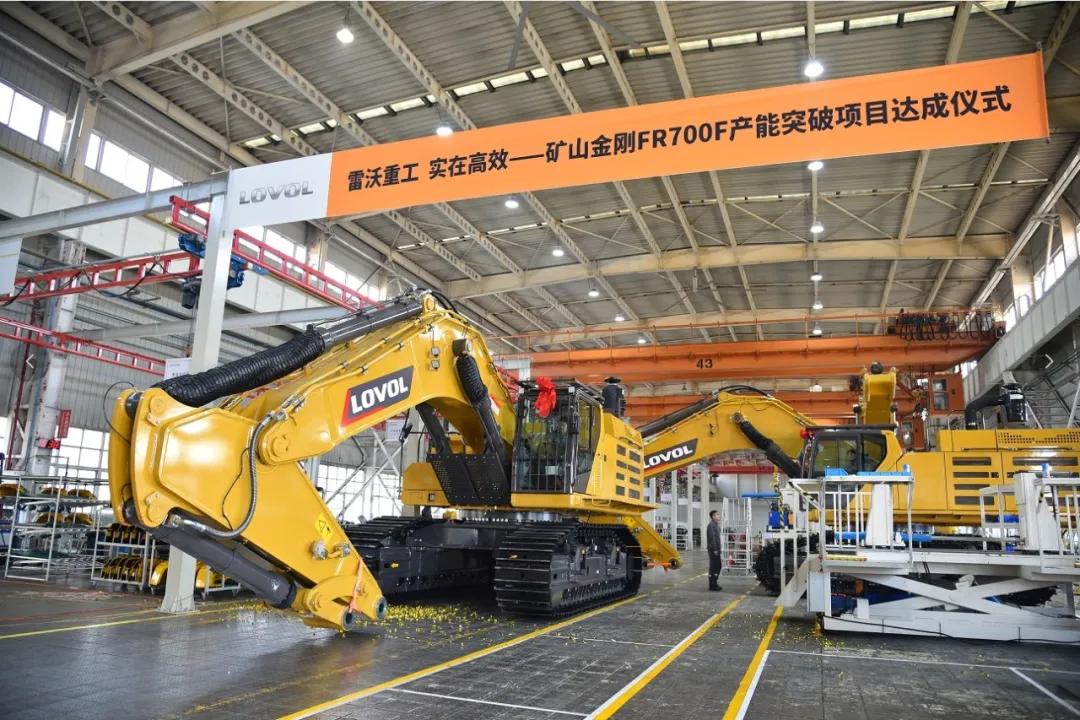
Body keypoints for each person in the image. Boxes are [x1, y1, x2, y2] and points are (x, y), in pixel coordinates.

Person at [707, 509, 723, 592]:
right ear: (713, 517)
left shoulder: (716, 525)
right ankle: (712, 584)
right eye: (717, 514)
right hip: (714, 550)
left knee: (717, 566)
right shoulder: (711, 525)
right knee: (714, 567)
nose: (719, 516)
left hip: (716, 549)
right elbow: (712, 538)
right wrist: (715, 549)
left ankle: (714, 582)